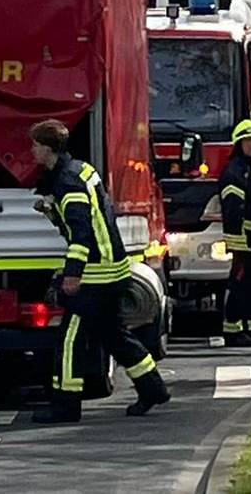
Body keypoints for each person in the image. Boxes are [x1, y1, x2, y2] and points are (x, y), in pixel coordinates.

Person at [29, 119, 169, 423]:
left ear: (48, 148)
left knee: (69, 340)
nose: (32, 151)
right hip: (113, 266)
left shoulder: (67, 183)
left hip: (95, 274)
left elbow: (81, 234)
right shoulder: (81, 169)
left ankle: (65, 406)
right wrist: (52, 211)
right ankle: (152, 388)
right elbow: (90, 217)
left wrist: (72, 275)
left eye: (35, 145)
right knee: (114, 335)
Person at [218, 119, 251, 347]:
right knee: (239, 284)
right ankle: (232, 329)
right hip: (242, 239)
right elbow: (233, 210)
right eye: (248, 141)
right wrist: (241, 235)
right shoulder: (234, 171)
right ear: (239, 143)